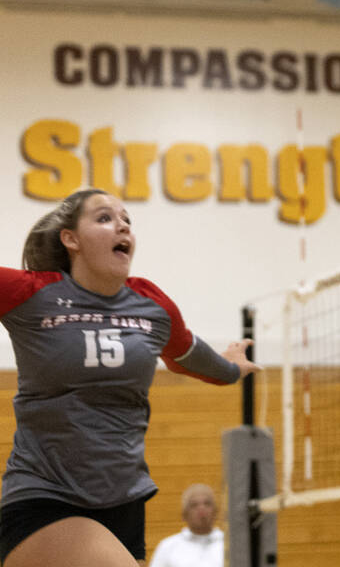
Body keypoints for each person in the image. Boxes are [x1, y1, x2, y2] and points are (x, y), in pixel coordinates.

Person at [0, 188, 259, 567]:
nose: (122, 225)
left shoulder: (150, 304)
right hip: (47, 497)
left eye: (127, 221)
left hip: (124, 501)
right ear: (70, 239)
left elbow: (186, 355)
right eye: (104, 218)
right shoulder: (32, 293)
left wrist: (232, 368)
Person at [147, 484, 224, 567]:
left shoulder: (229, 544)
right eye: (194, 505)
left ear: (216, 511)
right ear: (184, 514)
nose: (201, 508)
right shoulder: (168, 547)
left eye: (207, 503)